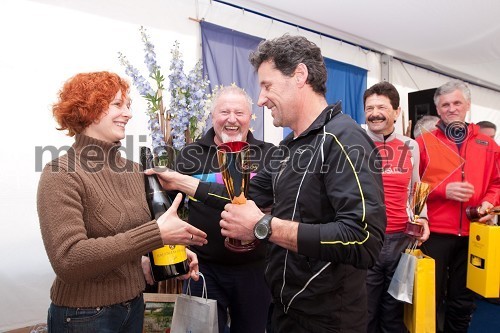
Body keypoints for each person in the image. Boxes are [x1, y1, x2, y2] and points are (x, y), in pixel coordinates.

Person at [147, 34, 387, 332]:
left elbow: (362, 240)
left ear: (300, 76)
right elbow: (242, 198)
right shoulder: (288, 148)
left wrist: (263, 226)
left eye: (267, 86)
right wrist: (182, 182)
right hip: (283, 310)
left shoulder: (345, 140)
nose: (260, 100)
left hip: (327, 320)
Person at [37, 71, 207, 333]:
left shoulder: (134, 170)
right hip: (83, 316)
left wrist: (169, 257)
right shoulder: (60, 173)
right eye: (118, 104)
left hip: (133, 306)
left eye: (128, 106)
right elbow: (68, 260)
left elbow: (129, 239)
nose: (128, 113)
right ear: (88, 109)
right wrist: (156, 233)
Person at [175, 85, 275, 333]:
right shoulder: (190, 154)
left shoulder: (270, 154)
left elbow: (284, 205)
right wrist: (177, 254)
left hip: (257, 271)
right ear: (212, 116)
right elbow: (168, 208)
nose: (232, 119)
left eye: (239, 113)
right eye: (224, 112)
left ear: (250, 117)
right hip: (204, 270)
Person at [416, 80, 500, 332]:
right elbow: (412, 188)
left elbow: (497, 183)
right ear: (438, 110)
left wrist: (489, 202)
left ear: (468, 105)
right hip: (436, 235)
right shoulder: (424, 143)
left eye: (456, 103)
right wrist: (443, 190)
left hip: (474, 234)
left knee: (463, 301)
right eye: (445, 105)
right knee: (428, 299)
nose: (451, 109)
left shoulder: (488, 145)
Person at [363, 82, 429, 333]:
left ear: (397, 112)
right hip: (366, 239)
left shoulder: (411, 146)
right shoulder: (354, 142)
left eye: (381, 106)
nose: (374, 112)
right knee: (365, 311)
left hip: (402, 239)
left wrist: (423, 219)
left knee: (394, 311)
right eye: (369, 107)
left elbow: (416, 187)